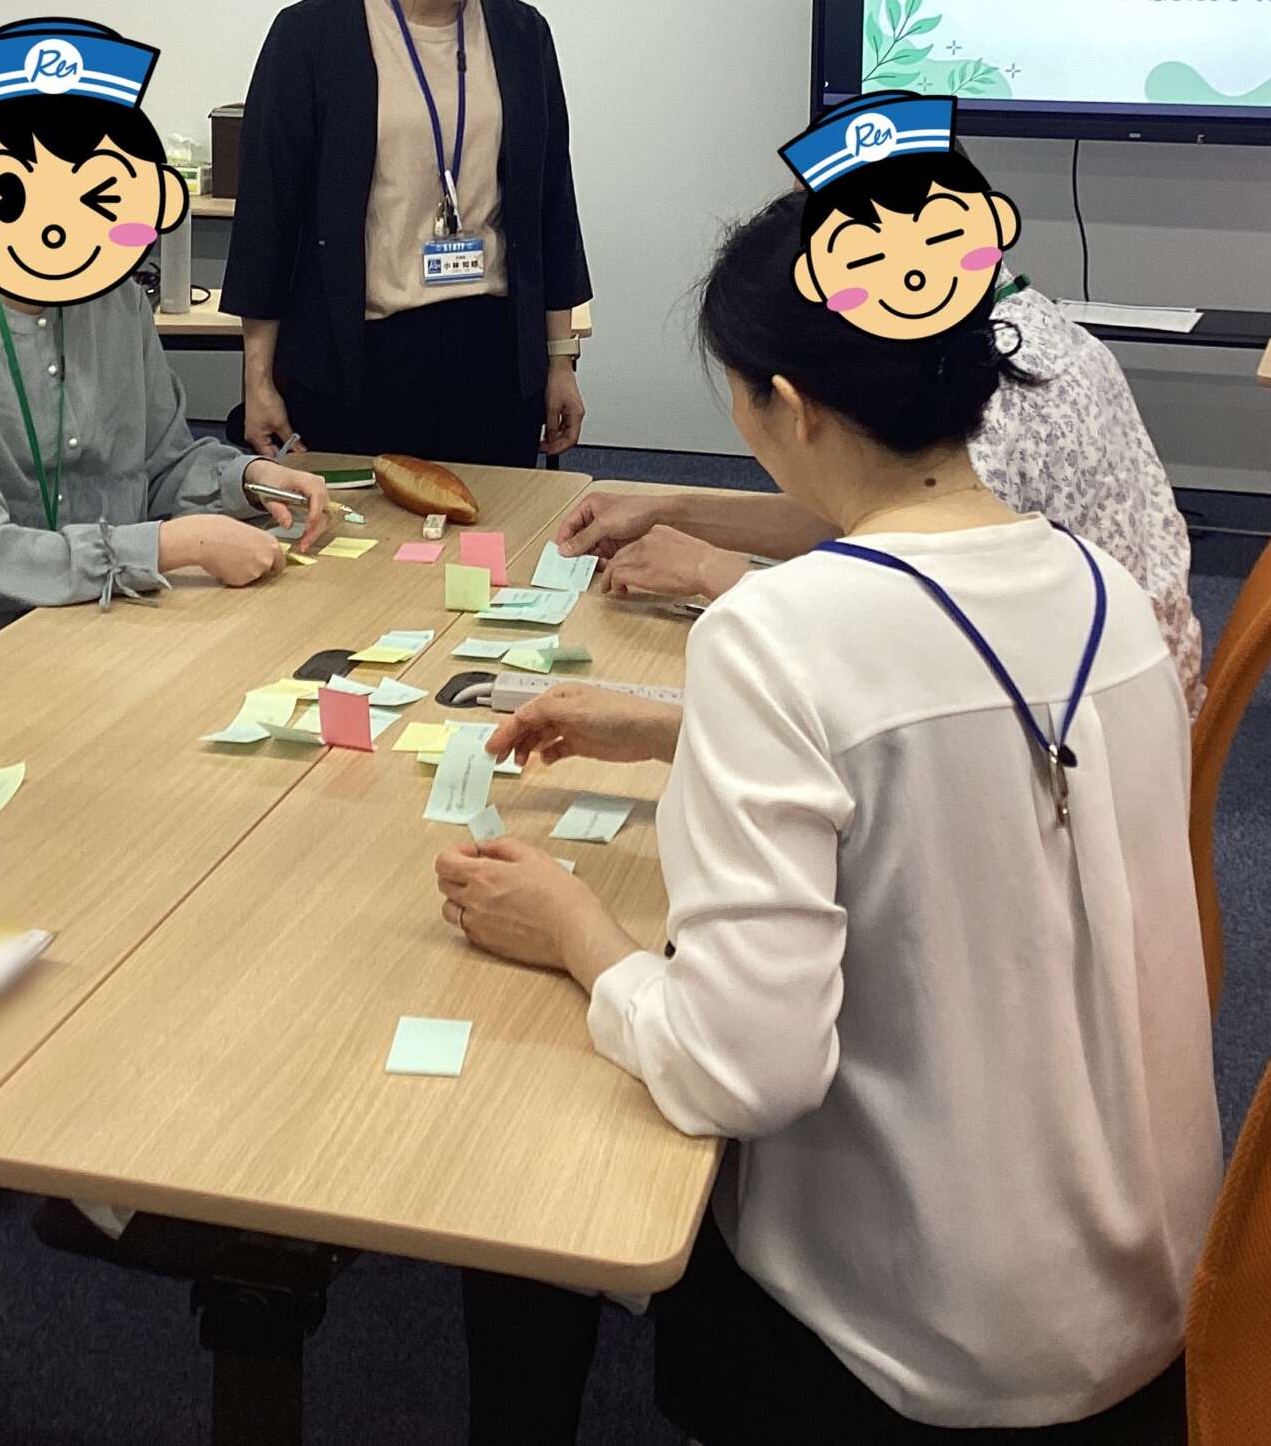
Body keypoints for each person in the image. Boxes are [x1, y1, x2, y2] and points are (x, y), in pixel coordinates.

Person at [440, 192, 1221, 1444]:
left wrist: (574, 927)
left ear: (790, 405)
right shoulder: (1105, 592)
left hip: (923, 1354)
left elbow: (738, 1070)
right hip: (1157, 1318)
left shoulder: (775, 631)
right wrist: (670, 727)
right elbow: (945, 753)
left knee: (536, 1144)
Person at [0, 17, 327, 718]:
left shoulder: (117, 302)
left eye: (97, 197)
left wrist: (250, 479)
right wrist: (172, 545)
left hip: (91, 635)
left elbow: (160, 463)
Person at [558, 278, 1204, 713]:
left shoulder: (999, 394)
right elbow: (869, 516)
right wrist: (675, 511)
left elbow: (901, 646)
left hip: (1075, 727)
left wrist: (716, 573)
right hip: (1101, 692)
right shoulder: (993, 332)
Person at [224, 0, 591, 465]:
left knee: (492, 526)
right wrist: (257, 378)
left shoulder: (521, 36)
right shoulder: (312, 36)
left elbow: (550, 207)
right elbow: (268, 219)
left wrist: (559, 359)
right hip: (360, 357)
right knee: (358, 529)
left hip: (491, 354)